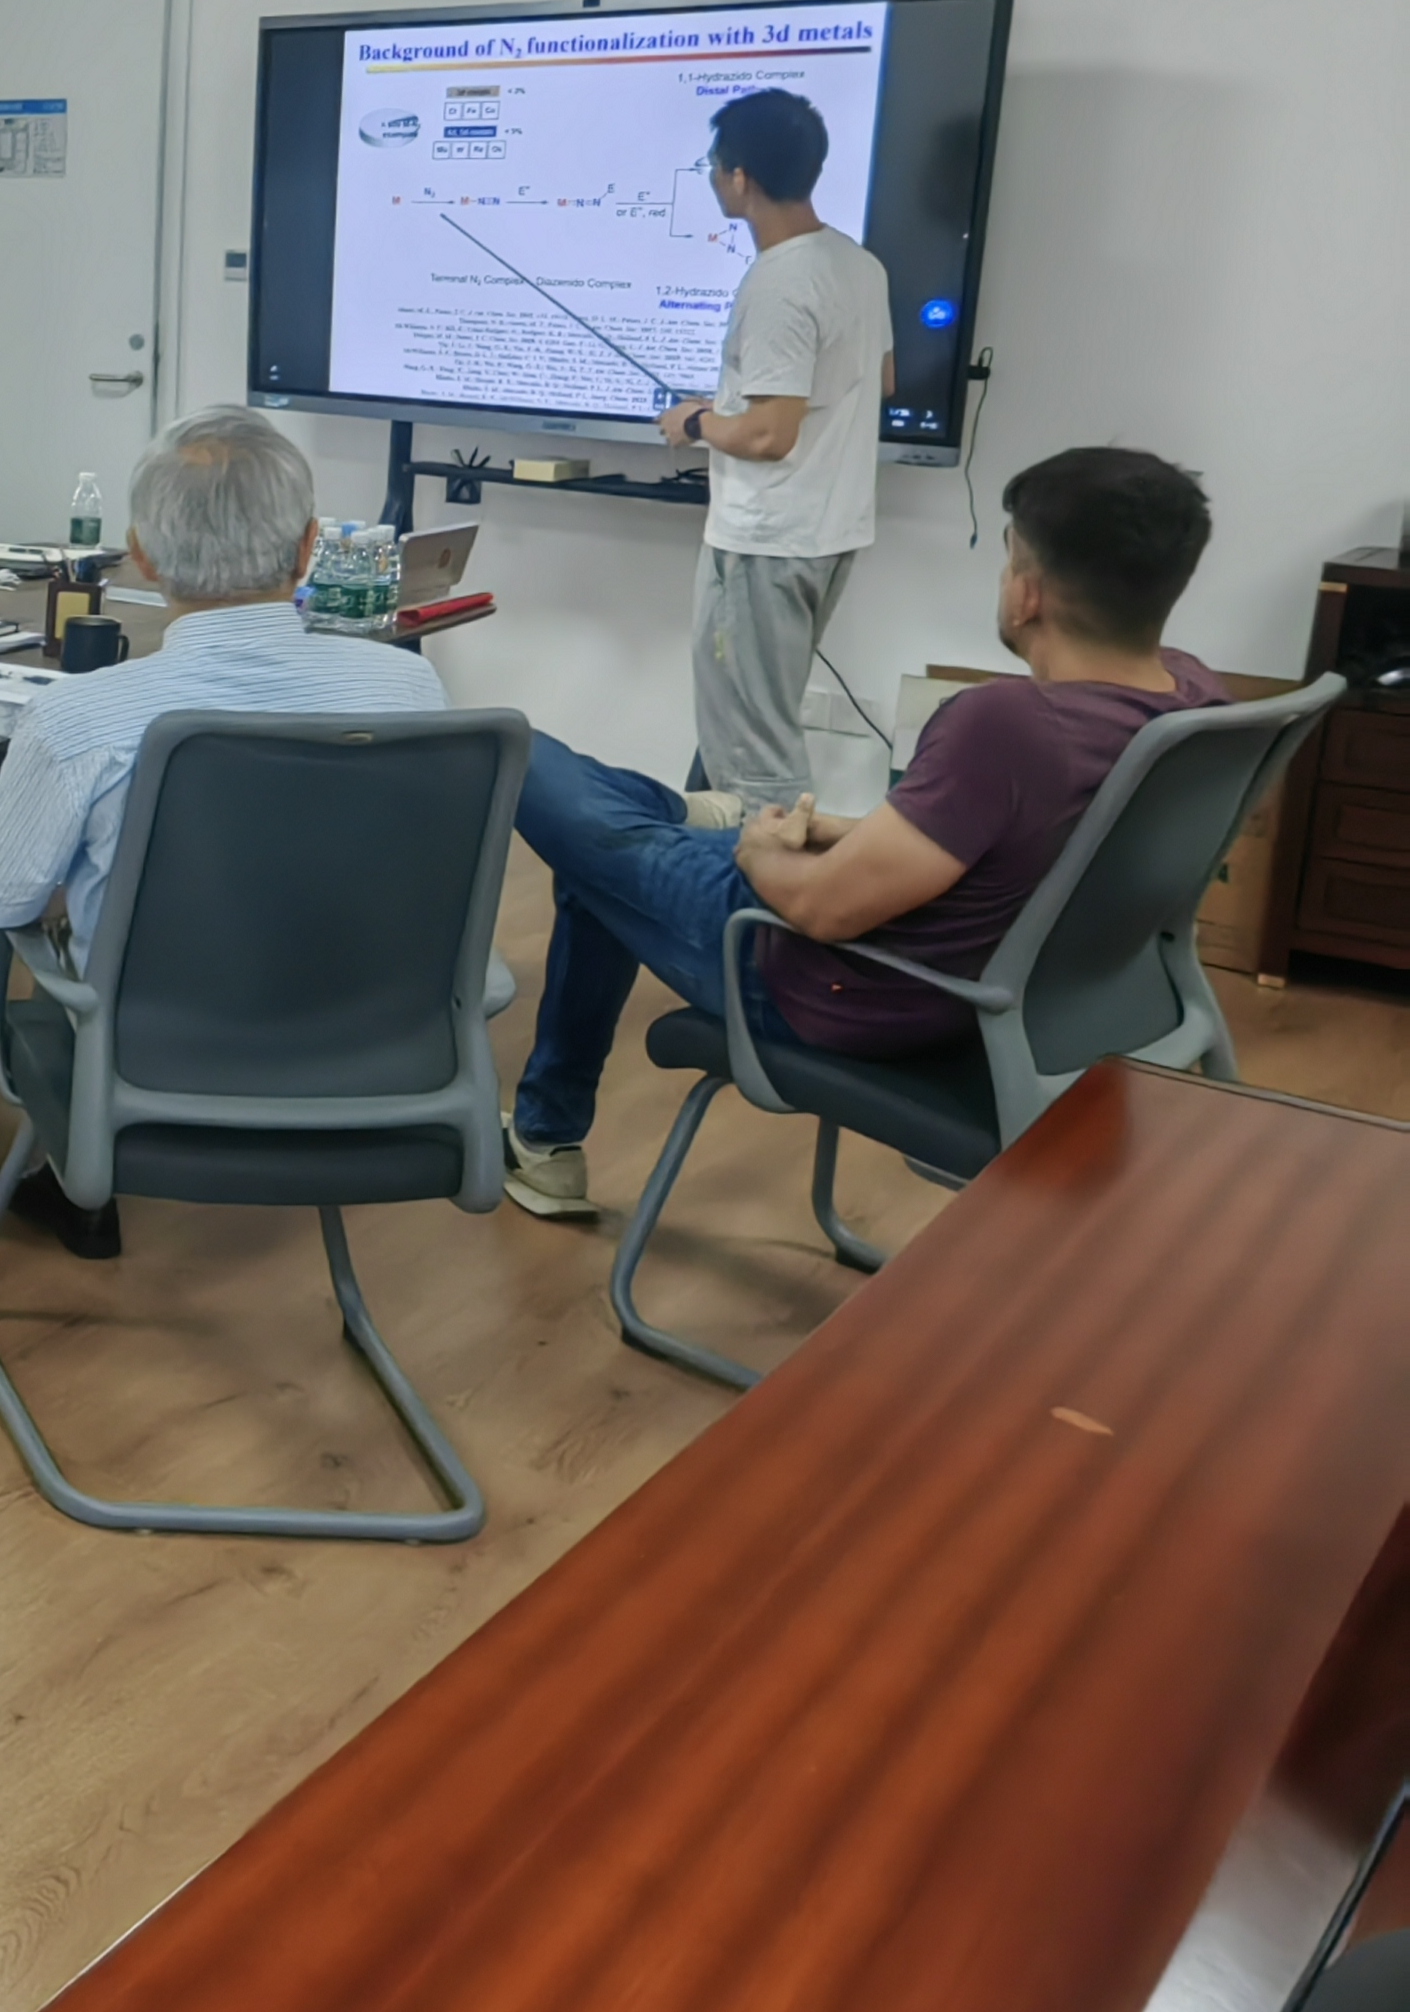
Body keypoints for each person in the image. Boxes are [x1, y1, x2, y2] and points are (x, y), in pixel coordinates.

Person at [496, 446, 1224, 1220]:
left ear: (1028, 594)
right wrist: (836, 833)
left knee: (512, 750)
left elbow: (820, 910)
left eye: (1009, 557)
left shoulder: (1007, 726)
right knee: (595, 860)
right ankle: (545, 1141)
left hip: (823, 982)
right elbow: (1008, 848)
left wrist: (760, 850)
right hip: (1005, 988)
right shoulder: (1192, 703)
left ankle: (683, 823)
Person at [0, 407, 449, 1258]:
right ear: (309, 548)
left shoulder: (78, 717)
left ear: (140, 554)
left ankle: (72, 1184)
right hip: (375, 1053)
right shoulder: (409, 691)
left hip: (148, 1066)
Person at [658, 89, 893, 815]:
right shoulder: (858, 264)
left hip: (764, 543)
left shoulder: (780, 283)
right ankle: (696, 863)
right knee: (743, 723)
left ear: (740, 178)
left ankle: (764, 885)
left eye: (714, 165)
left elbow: (768, 435)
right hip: (827, 534)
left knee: (754, 758)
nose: (711, 177)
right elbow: (880, 379)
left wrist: (697, 423)